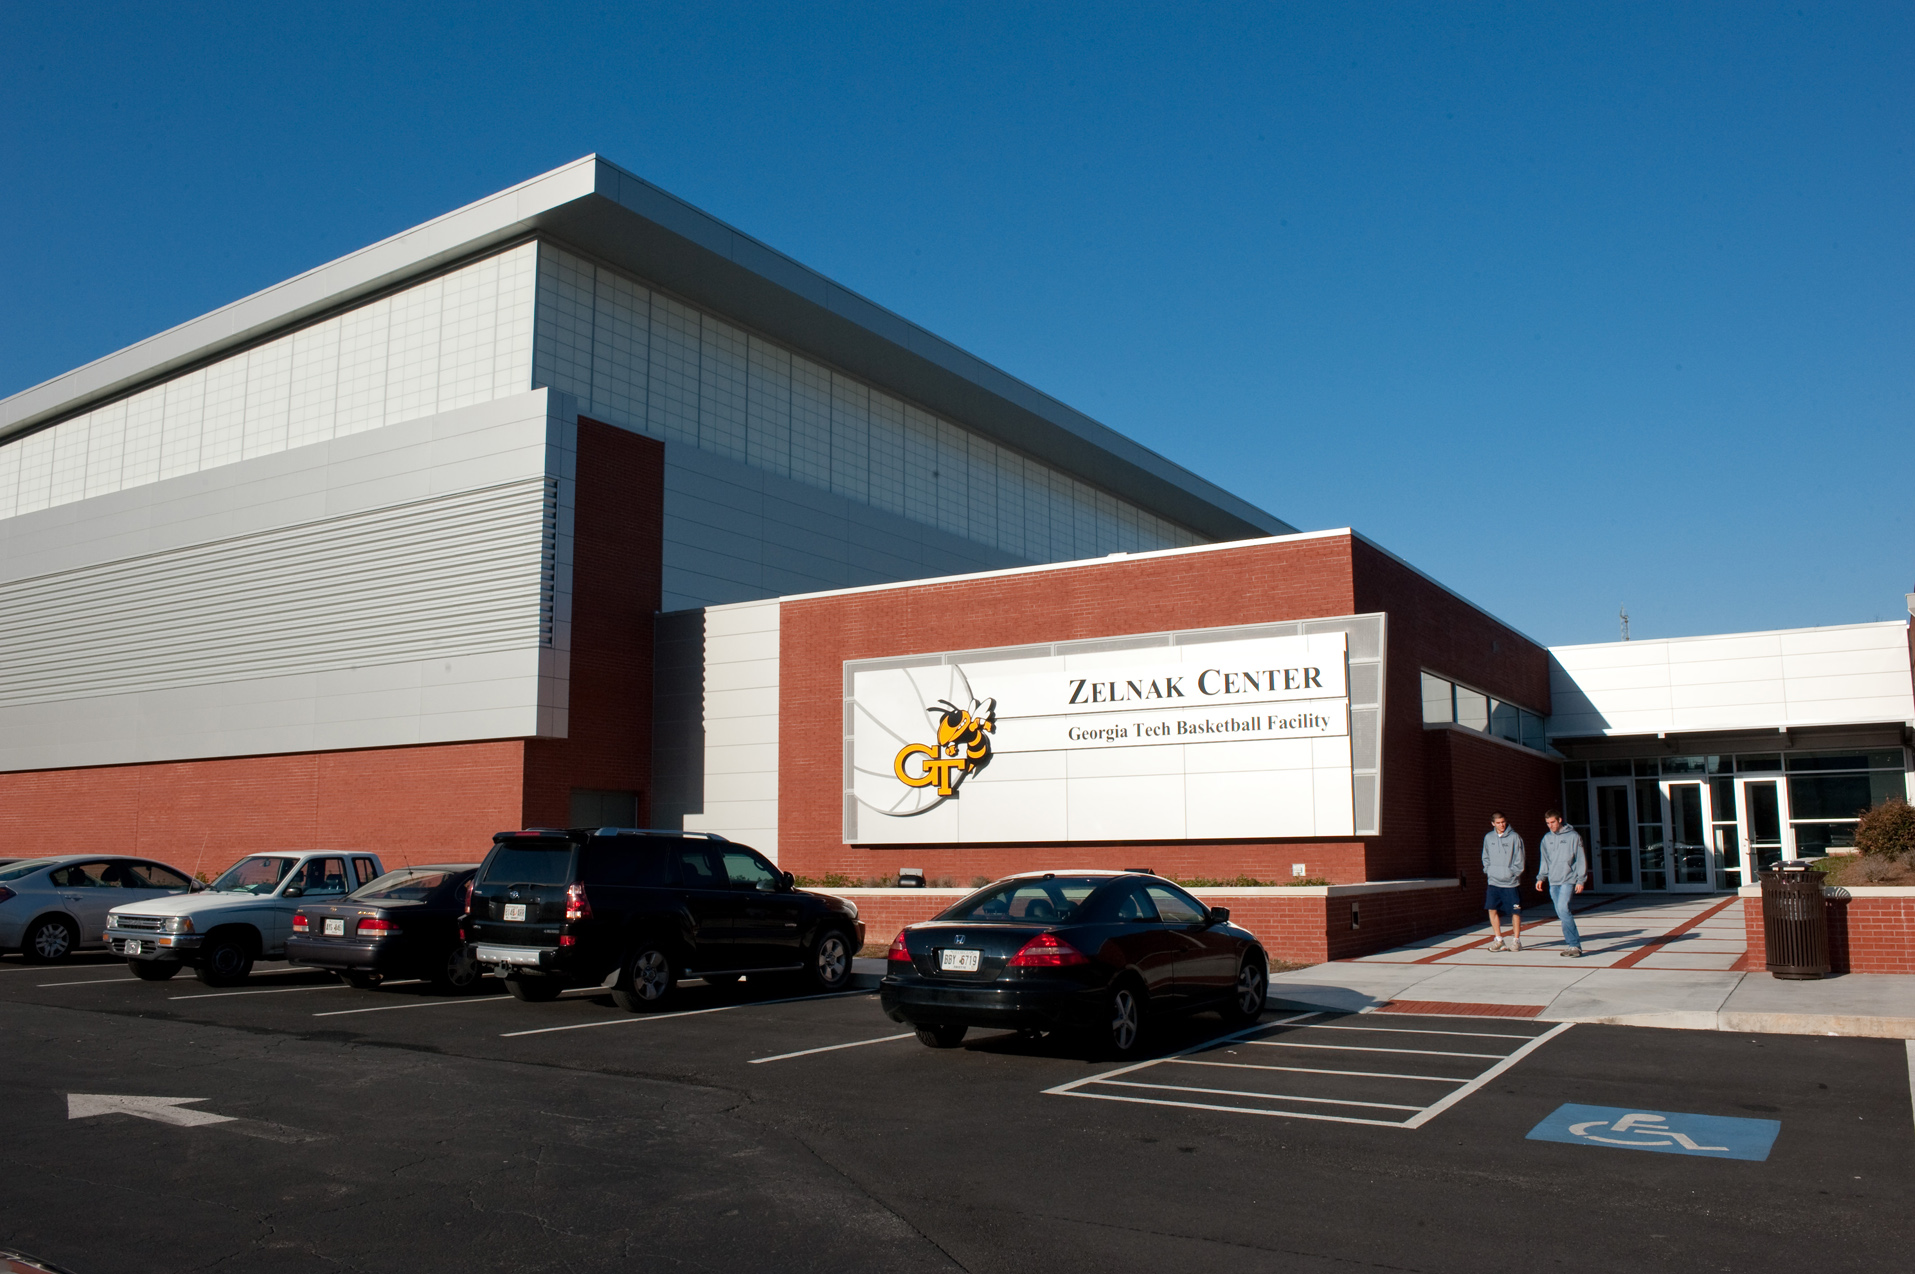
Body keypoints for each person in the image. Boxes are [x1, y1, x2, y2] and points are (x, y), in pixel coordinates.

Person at [1535, 809, 1589, 957]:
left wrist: (1580, 880)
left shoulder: (1573, 837)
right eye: (1547, 823)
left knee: (1563, 909)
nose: (1550, 825)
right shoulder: (1546, 839)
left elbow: (1580, 859)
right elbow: (1544, 860)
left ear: (1559, 820)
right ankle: (1571, 946)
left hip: (1568, 879)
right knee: (1561, 913)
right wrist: (1541, 878)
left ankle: (1574, 945)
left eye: (1552, 822)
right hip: (1553, 880)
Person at [1482, 812, 1525, 951]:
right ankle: (1499, 939)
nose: (1502, 825)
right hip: (1493, 882)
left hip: (1510, 882)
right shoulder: (1488, 838)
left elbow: (1520, 859)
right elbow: (1485, 856)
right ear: (1493, 823)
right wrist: (1489, 870)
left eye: (1503, 822)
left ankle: (1516, 940)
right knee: (1492, 909)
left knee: (1515, 911)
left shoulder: (1514, 837)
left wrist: (1513, 873)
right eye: (1499, 823)